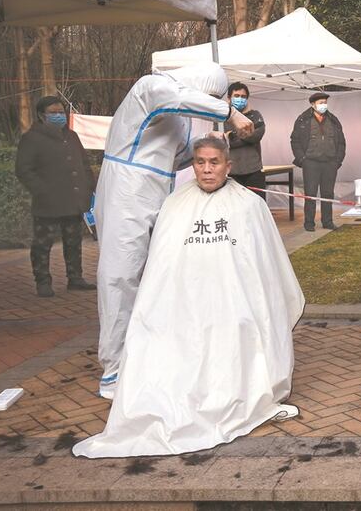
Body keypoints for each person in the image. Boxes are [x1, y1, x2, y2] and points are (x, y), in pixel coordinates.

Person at [73, 137, 304, 458]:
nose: (207, 169)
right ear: (192, 164)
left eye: (214, 162)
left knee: (240, 331)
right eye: (200, 162)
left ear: (228, 165)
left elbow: (265, 264)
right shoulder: (175, 205)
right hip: (185, 303)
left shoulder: (250, 206)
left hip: (236, 301)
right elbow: (162, 265)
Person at [95, 61, 254, 400]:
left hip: (156, 192)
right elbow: (177, 98)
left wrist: (206, 142)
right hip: (128, 190)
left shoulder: (178, 119)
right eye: (209, 95)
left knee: (156, 275)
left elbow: (179, 156)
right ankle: (113, 369)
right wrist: (230, 113)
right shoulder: (152, 87)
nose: (207, 101)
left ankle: (144, 356)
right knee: (120, 277)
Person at [15, 96, 97, 298]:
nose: (59, 116)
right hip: (47, 204)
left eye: (61, 112)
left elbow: (84, 166)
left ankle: (75, 278)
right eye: (54, 113)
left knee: (73, 242)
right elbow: (23, 170)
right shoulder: (31, 138)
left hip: (73, 201)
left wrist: (88, 189)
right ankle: (42, 281)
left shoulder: (72, 137)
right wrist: (42, 191)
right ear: (42, 115)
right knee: (42, 244)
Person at [290, 92, 346, 231]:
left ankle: (327, 222)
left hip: (330, 163)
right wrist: (302, 159)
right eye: (321, 102)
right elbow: (295, 140)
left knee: (328, 194)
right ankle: (309, 223)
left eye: (325, 102)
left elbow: (341, 142)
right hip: (310, 163)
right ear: (313, 104)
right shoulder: (303, 119)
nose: (324, 105)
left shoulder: (333, 120)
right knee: (310, 193)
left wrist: (337, 160)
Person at [226, 82, 267, 198]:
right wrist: (245, 134)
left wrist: (232, 136)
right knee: (234, 208)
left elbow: (256, 136)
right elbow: (222, 140)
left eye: (243, 97)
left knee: (257, 205)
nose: (240, 99)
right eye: (237, 96)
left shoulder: (255, 115)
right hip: (231, 172)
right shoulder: (223, 118)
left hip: (253, 170)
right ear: (229, 98)